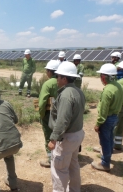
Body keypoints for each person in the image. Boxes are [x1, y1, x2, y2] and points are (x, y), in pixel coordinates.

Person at [48, 61, 85, 192]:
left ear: (64, 78)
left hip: (67, 138)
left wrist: (53, 139)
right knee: (73, 164)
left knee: (59, 170)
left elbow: (62, 121)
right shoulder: (77, 91)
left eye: (58, 76)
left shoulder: (65, 95)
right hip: (77, 134)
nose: (56, 79)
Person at [91, 63, 123, 172]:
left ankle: (105, 163)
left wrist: (98, 124)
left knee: (105, 140)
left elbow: (103, 111)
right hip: (115, 117)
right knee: (109, 138)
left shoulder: (108, 90)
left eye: (101, 76)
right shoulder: (118, 86)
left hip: (107, 119)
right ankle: (108, 156)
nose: (100, 78)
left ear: (105, 76)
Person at [38, 60, 60, 168]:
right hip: (63, 114)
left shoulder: (48, 83)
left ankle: (51, 160)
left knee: (49, 136)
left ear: (50, 72)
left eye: (47, 71)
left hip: (49, 114)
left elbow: (42, 102)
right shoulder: (65, 82)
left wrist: (41, 115)